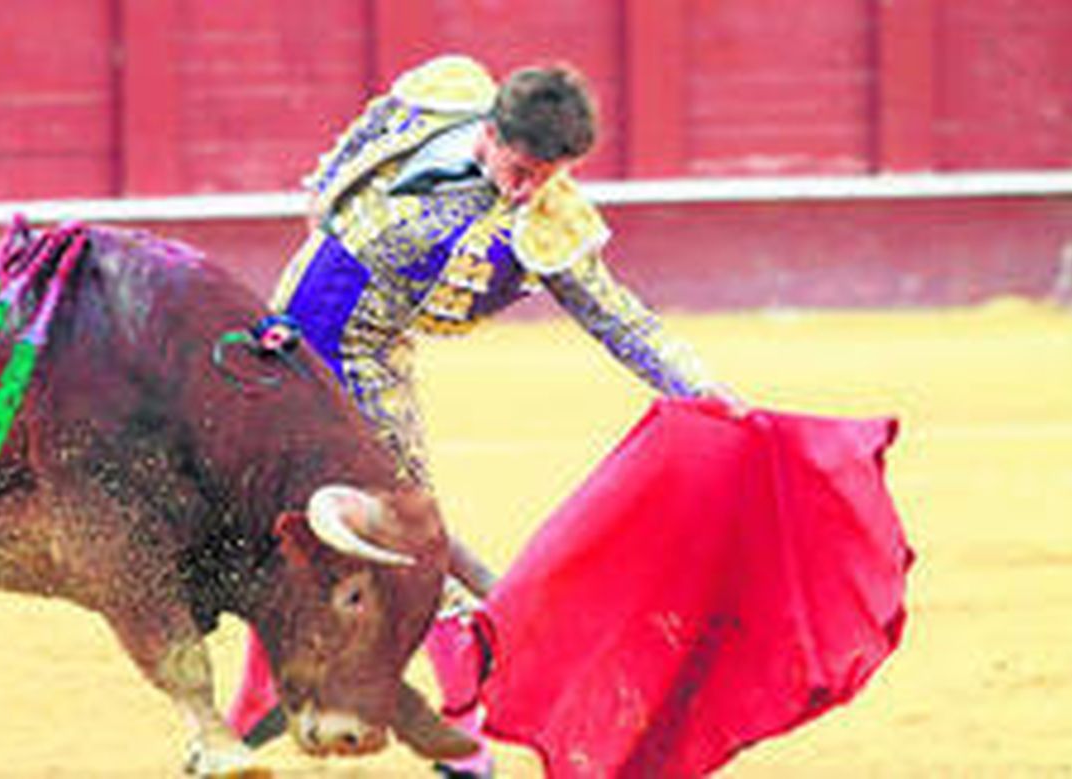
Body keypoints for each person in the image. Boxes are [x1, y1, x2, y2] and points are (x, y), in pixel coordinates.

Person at [230, 55, 746, 777]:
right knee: (283, 527)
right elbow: (334, 194)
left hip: (362, 368)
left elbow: (623, 321)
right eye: (522, 165)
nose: (529, 186)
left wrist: (707, 393)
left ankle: (466, 740)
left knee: (409, 549)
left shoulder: (549, 223)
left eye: (549, 173)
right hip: (282, 346)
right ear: (493, 130)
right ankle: (257, 703)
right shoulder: (439, 101)